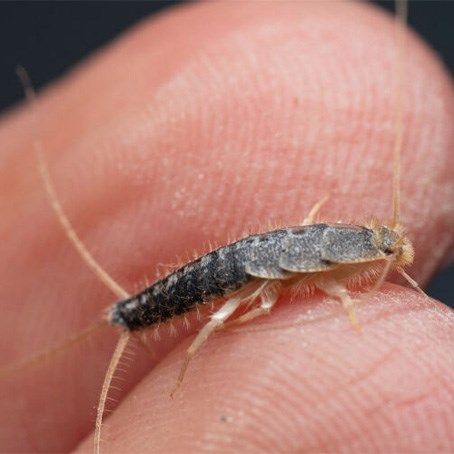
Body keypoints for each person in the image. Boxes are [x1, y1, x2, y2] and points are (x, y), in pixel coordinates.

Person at [1, 1, 453, 452]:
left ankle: (133, 317)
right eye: (384, 247)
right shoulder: (331, 259)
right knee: (215, 320)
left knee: (224, 311)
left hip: (248, 260)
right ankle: (134, 318)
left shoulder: (335, 246)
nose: (389, 249)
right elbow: (314, 278)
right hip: (243, 268)